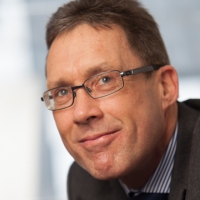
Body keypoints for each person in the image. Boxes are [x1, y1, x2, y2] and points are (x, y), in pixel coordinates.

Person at [41, 0, 200, 199]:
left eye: (105, 80)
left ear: (165, 87)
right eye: (62, 92)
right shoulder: (83, 182)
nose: (81, 113)